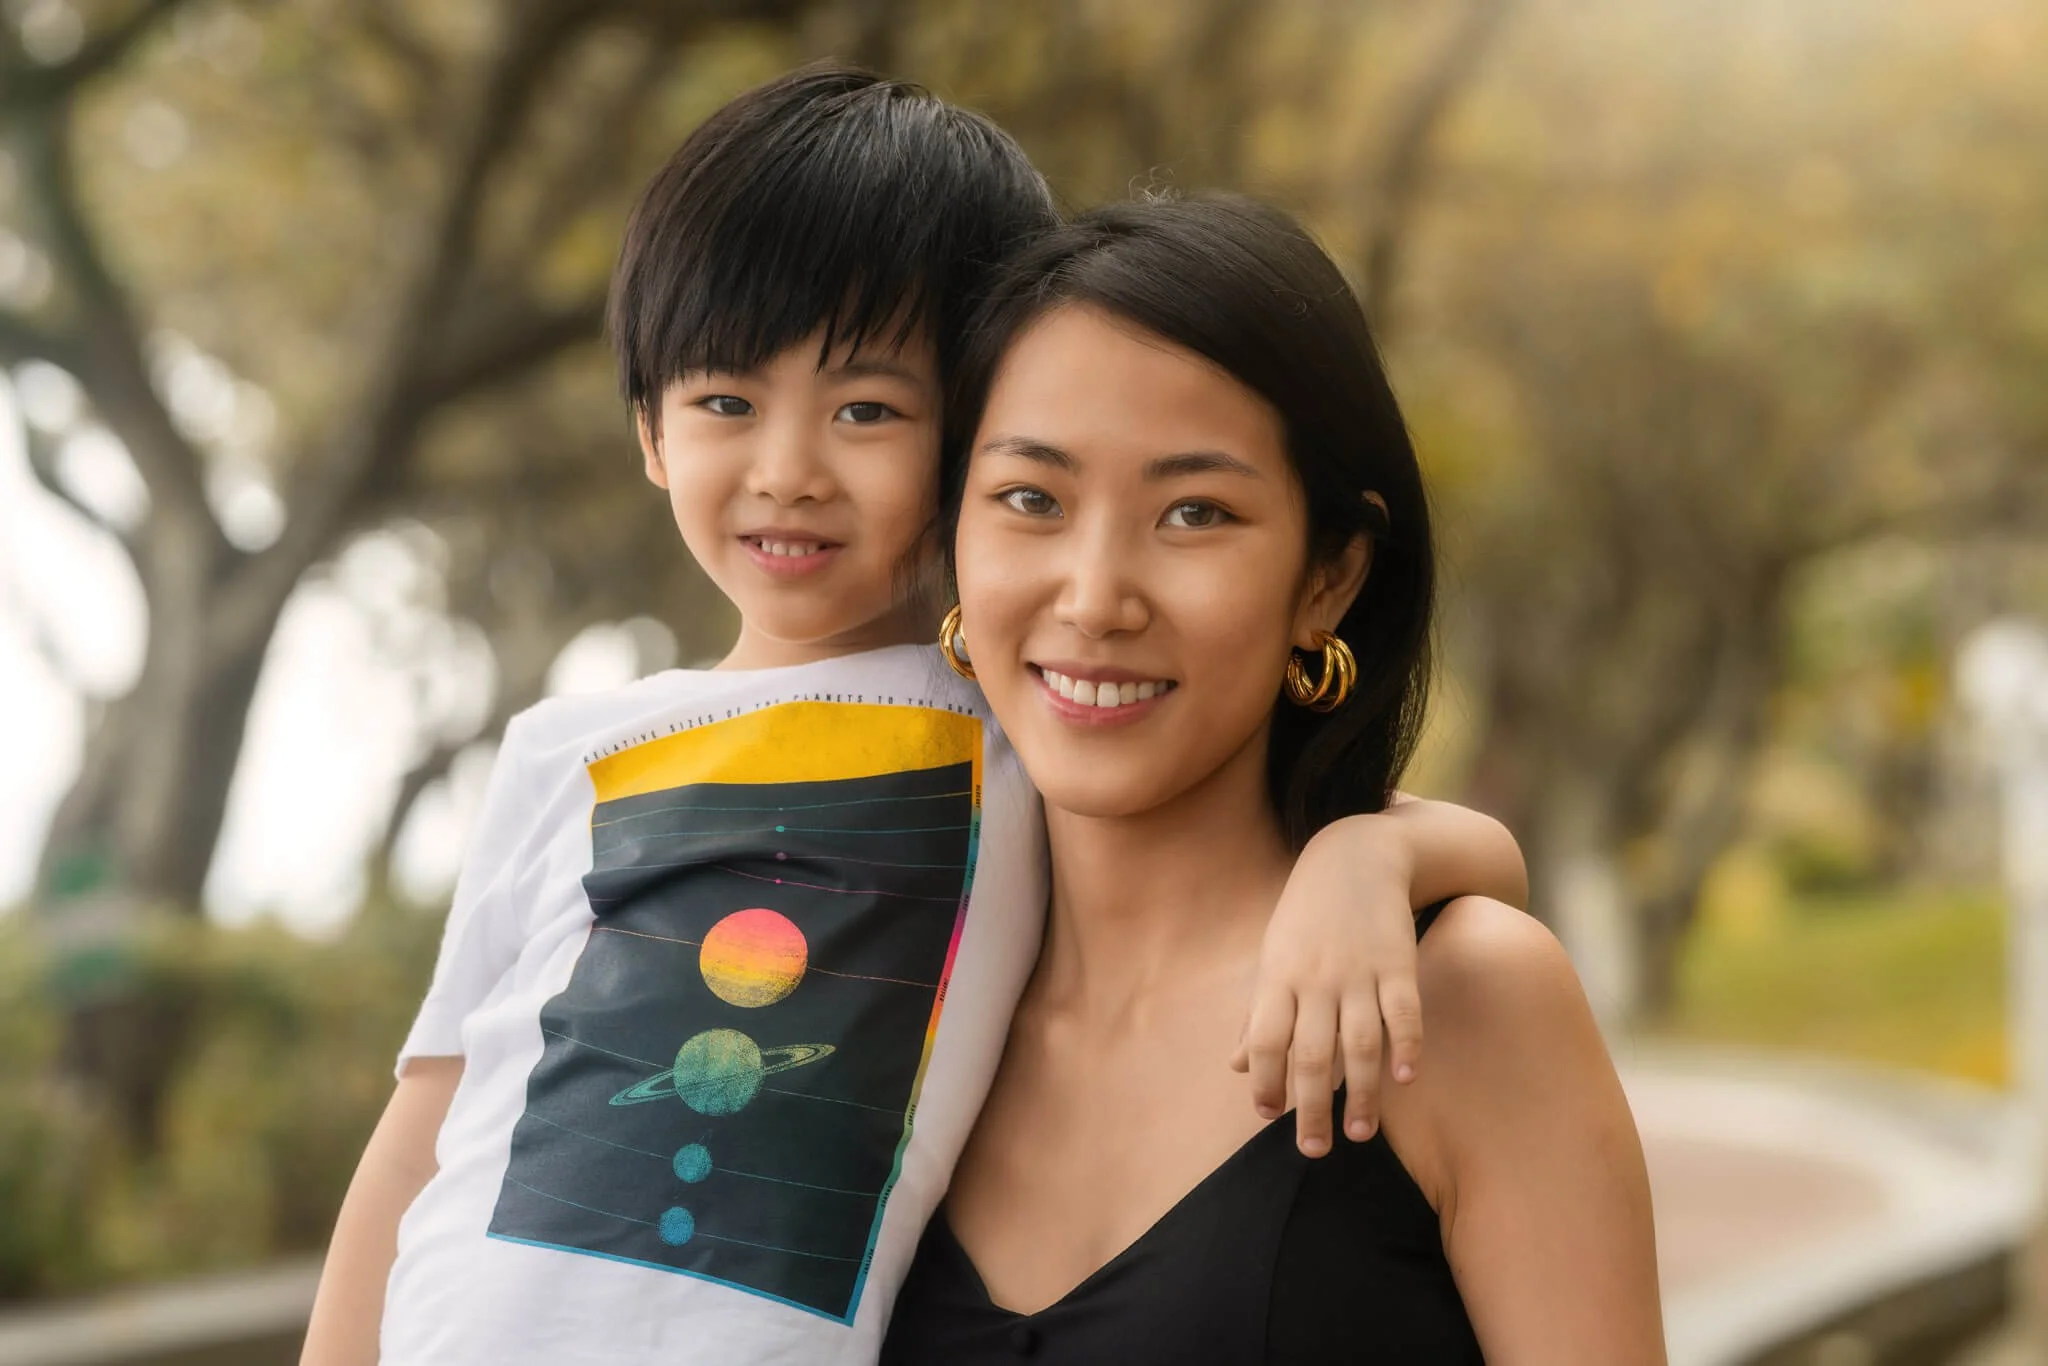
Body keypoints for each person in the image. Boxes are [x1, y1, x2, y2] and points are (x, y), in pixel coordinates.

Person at [301, 70, 1529, 1366]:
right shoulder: (569, 752)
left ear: (963, 448)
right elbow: (423, 1134)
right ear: (651, 430)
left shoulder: (1009, 719)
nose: (787, 468)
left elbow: (1429, 859)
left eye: (867, 410)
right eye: (725, 401)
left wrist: (1368, 854)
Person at [883, 195, 1664, 1363]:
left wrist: (1377, 846)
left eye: (1193, 512)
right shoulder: (882, 1002)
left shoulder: (1462, 1003)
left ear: (1328, 579)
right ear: (953, 536)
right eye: (1030, 499)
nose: (1095, 596)